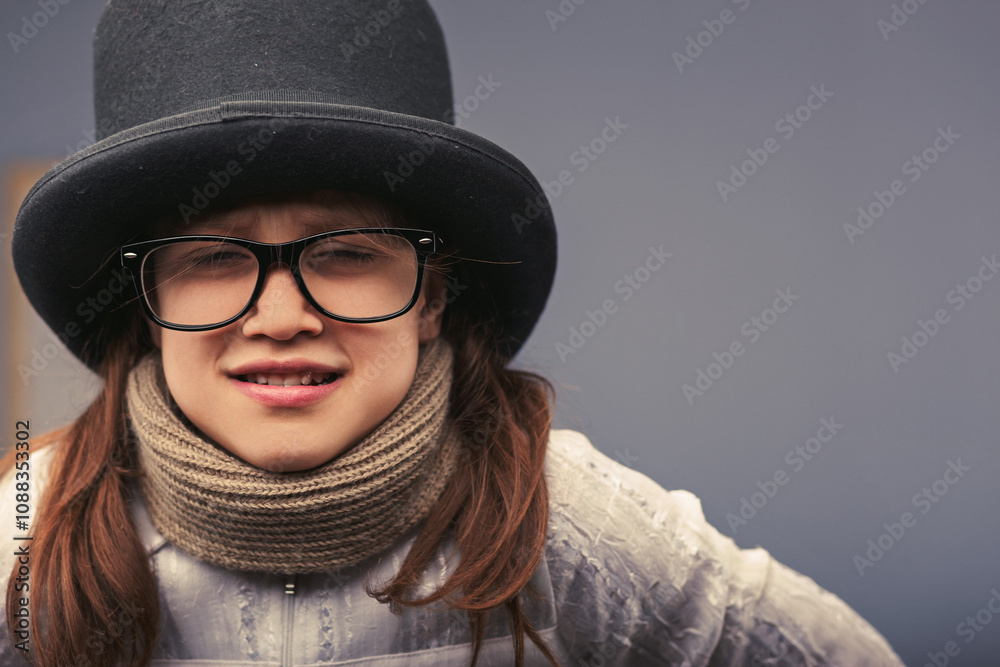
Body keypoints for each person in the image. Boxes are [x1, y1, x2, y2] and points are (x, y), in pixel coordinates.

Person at [1, 0, 905, 665]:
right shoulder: (22, 539)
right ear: (143, 305)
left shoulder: (566, 519)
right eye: (212, 258)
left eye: (347, 252)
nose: (280, 318)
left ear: (432, 294)